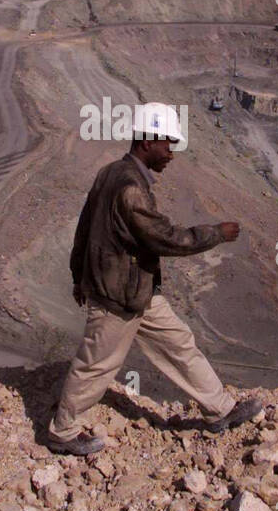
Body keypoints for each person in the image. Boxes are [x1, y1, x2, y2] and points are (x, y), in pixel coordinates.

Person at [47, 103, 263, 455]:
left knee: (180, 345)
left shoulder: (110, 172)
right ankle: (62, 431)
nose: (171, 154)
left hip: (138, 289)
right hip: (117, 296)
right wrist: (217, 233)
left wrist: (77, 274)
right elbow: (164, 238)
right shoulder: (130, 188)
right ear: (147, 142)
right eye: (167, 144)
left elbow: (85, 229)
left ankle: (219, 410)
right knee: (97, 365)